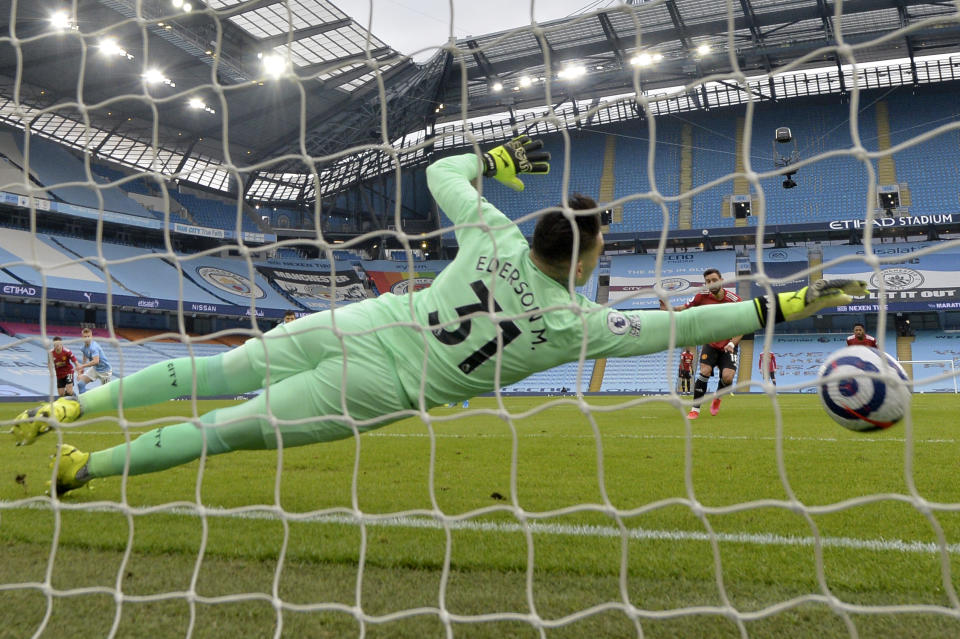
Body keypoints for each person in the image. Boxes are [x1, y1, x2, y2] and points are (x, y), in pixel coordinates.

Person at [9, 135, 867, 495]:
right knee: (231, 426)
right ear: (592, 260)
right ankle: (85, 467)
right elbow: (683, 325)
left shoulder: (492, 234)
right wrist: (781, 301)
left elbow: (441, 176)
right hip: (381, 381)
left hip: (360, 321)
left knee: (225, 367)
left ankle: (73, 402)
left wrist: (494, 155)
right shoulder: (579, 326)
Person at [664, 268, 743, 419]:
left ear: (721, 281)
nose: (711, 283)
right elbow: (684, 308)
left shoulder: (734, 301)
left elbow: (742, 326)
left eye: (714, 280)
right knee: (704, 372)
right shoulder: (701, 296)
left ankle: (717, 398)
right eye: (708, 281)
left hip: (729, 344)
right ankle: (695, 410)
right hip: (711, 343)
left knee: (727, 377)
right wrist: (669, 309)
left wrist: (732, 344)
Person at [76, 327, 112, 394]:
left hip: (105, 371)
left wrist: (82, 366)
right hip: (95, 369)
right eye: (85, 336)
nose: (87, 338)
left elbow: (96, 361)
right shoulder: (83, 347)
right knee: (80, 384)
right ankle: (83, 402)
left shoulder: (94, 347)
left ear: (92, 336)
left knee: (105, 392)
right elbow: (85, 355)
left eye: (88, 336)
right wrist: (81, 371)